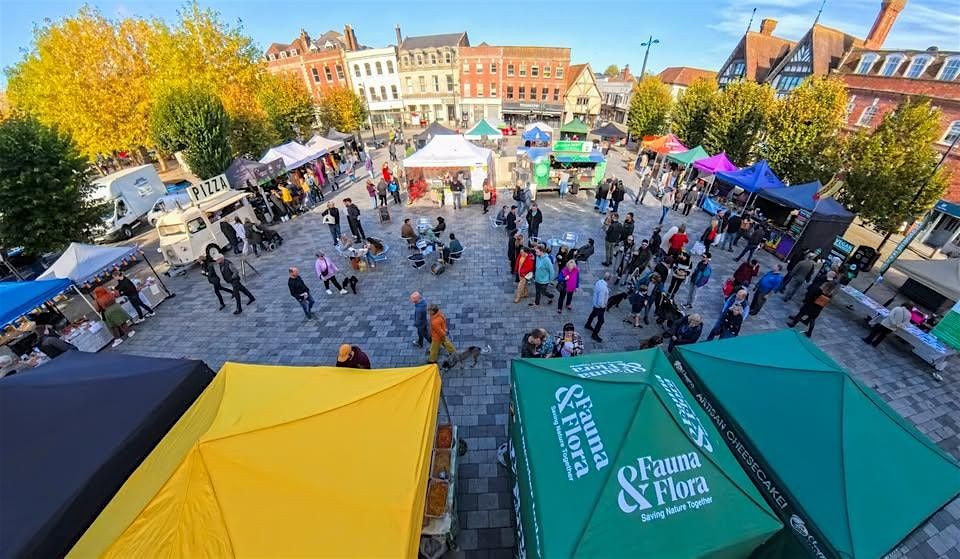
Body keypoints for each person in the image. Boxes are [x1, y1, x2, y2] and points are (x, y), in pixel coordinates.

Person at [787, 271, 839, 337]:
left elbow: (812, 295)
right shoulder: (830, 294)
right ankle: (809, 333)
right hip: (818, 308)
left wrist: (807, 300)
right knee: (812, 319)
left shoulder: (820, 290)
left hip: (811, 304)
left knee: (801, 313)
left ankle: (793, 324)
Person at [584, 272, 611, 342]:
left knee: (593, 314)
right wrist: (603, 306)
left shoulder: (599, 282)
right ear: (609, 279)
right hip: (599, 307)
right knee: (601, 321)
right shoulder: (604, 288)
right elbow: (600, 301)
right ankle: (594, 335)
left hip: (595, 304)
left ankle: (588, 324)